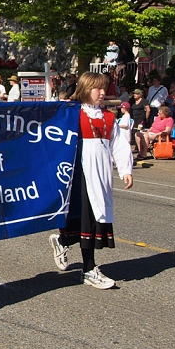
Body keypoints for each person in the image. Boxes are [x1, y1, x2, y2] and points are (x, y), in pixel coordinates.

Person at [48, 72, 133, 290]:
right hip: (79, 174)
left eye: (104, 88)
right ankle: (89, 269)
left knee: (94, 218)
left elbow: (119, 144)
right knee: (87, 220)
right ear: (86, 89)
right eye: (98, 88)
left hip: (101, 174)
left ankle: (62, 241)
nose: (103, 93)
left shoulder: (109, 117)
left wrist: (125, 169)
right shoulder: (73, 113)